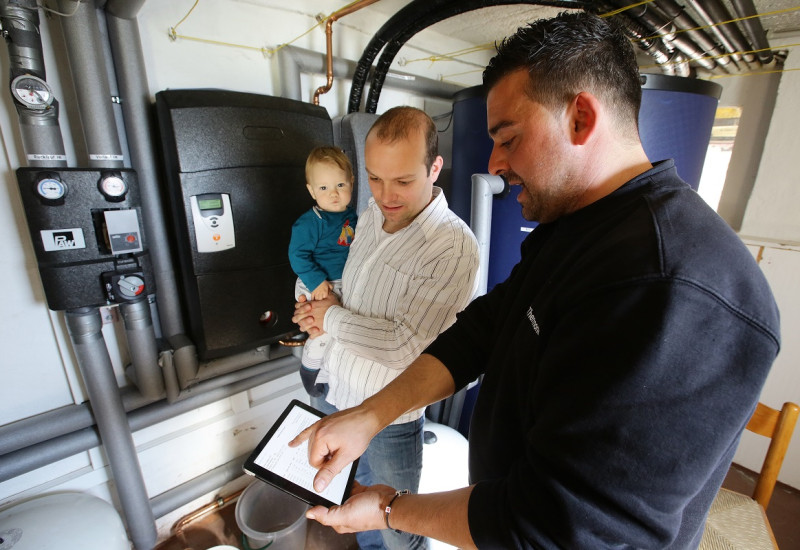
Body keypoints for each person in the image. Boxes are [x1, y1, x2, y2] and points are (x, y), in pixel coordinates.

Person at [290, 11, 781, 550]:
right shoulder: (573, 226)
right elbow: (483, 330)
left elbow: (556, 526)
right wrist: (369, 415)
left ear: (580, 119)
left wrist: (390, 508)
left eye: (508, 138)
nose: (494, 163)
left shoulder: (675, 288)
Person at [292, 106, 480, 549]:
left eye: (403, 180)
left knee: (400, 525)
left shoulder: (452, 247)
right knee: (355, 508)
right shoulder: (373, 214)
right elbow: (353, 292)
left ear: (434, 168)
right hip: (341, 391)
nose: (385, 195)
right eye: (375, 178)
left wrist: (331, 319)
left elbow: (407, 347)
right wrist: (321, 310)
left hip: (390, 415)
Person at [288, 146, 357, 397]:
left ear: (351, 182)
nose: (334, 194)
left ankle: (329, 372)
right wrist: (317, 281)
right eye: (324, 188)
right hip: (317, 282)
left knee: (340, 332)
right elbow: (297, 255)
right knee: (324, 331)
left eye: (340, 185)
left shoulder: (353, 217)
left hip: (340, 282)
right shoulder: (311, 221)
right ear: (311, 191)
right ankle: (311, 370)